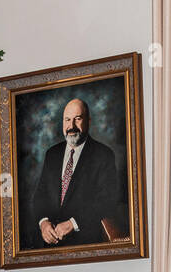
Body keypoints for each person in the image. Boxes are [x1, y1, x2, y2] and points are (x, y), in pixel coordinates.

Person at [29, 98, 125, 247]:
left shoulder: (103, 155)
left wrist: (72, 224)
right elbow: (40, 195)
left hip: (84, 243)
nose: (71, 126)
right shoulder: (52, 154)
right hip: (48, 244)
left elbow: (107, 201)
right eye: (67, 120)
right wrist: (43, 223)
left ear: (89, 121)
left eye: (77, 119)